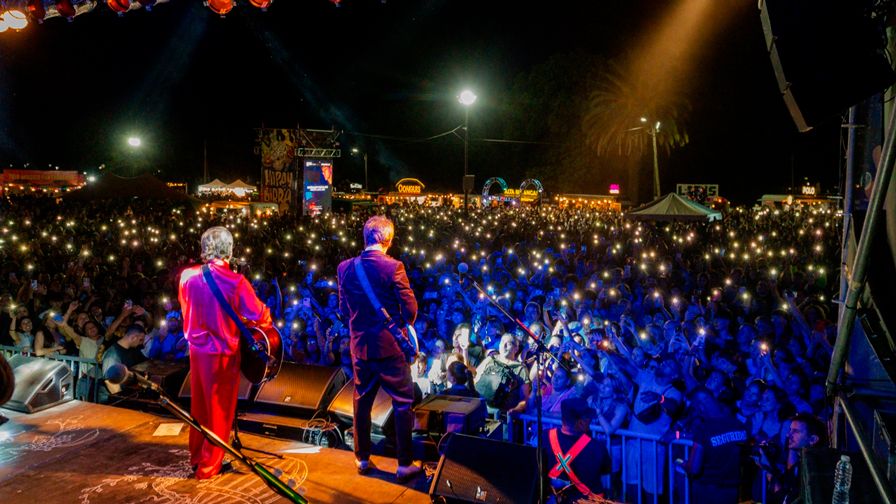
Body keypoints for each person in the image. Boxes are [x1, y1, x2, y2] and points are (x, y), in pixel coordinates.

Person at [178, 226, 273, 480]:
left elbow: (187, 312)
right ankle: (209, 467)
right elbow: (260, 316)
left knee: (199, 407)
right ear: (229, 249)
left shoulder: (187, 275)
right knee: (219, 411)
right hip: (222, 355)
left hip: (197, 352)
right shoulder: (235, 280)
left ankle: (197, 457)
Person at [336, 215, 421, 483]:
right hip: (390, 347)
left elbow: (342, 310)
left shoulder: (344, 268)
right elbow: (410, 312)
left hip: (360, 347)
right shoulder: (394, 267)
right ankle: (404, 464)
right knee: (403, 403)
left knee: (362, 401)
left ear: (365, 238)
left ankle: (362, 458)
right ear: (389, 240)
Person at [678, 387, 747, 504]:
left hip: (707, 491)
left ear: (701, 407)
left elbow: (694, 468)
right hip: (732, 491)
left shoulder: (704, 430)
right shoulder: (739, 425)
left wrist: (680, 462)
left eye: (695, 409)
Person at [542, 397, 612, 503]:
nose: (590, 420)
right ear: (581, 422)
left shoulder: (544, 437)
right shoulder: (597, 447)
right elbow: (606, 482)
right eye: (587, 417)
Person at [99, 324, 148, 402]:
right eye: (140, 340)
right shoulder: (113, 355)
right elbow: (110, 382)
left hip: (127, 393)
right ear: (133, 337)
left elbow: (146, 363)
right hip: (110, 400)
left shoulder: (132, 350)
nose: (141, 343)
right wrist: (123, 401)